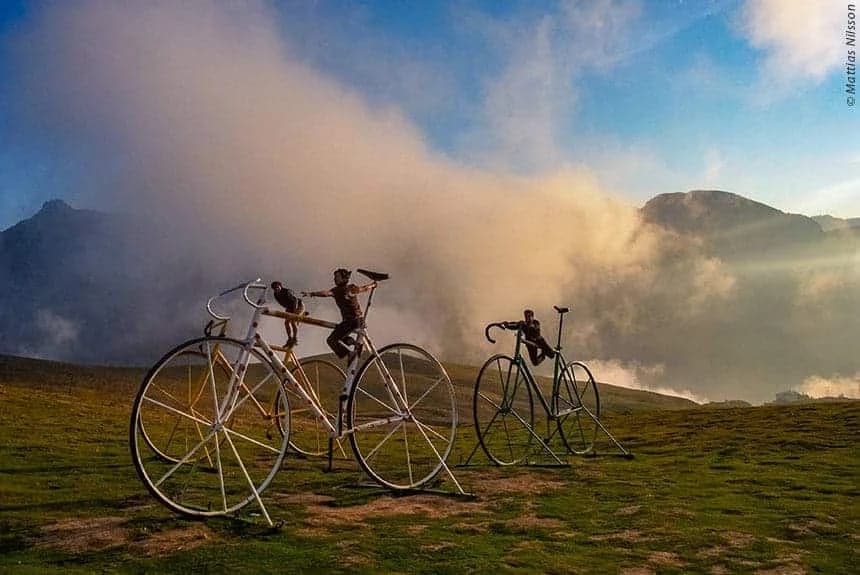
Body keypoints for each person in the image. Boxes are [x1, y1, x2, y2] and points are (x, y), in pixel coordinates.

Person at [302, 268, 376, 364]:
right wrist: (373, 285)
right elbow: (364, 288)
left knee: (331, 340)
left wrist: (312, 294)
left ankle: (350, 354)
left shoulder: (338, 290)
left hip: (351, 321)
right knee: (339, 336)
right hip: (359, 320)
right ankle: (355, 344)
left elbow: (326, 293)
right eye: (334, 277)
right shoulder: (352, 288)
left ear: (344, 278)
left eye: (337, 277)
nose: (335, 279)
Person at [270, 281, 304, 346]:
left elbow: (295, 301)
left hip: (298, 305)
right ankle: (289, 338)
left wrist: (294, 312)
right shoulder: (275, 294)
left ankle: (295, 338)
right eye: (274, 288)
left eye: (277, 287)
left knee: (293, 321)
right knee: (286, 322)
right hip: (289, 307)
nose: (276, 289)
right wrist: (288, 310)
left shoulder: (287, 291)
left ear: (280, 286)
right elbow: (283, 303)